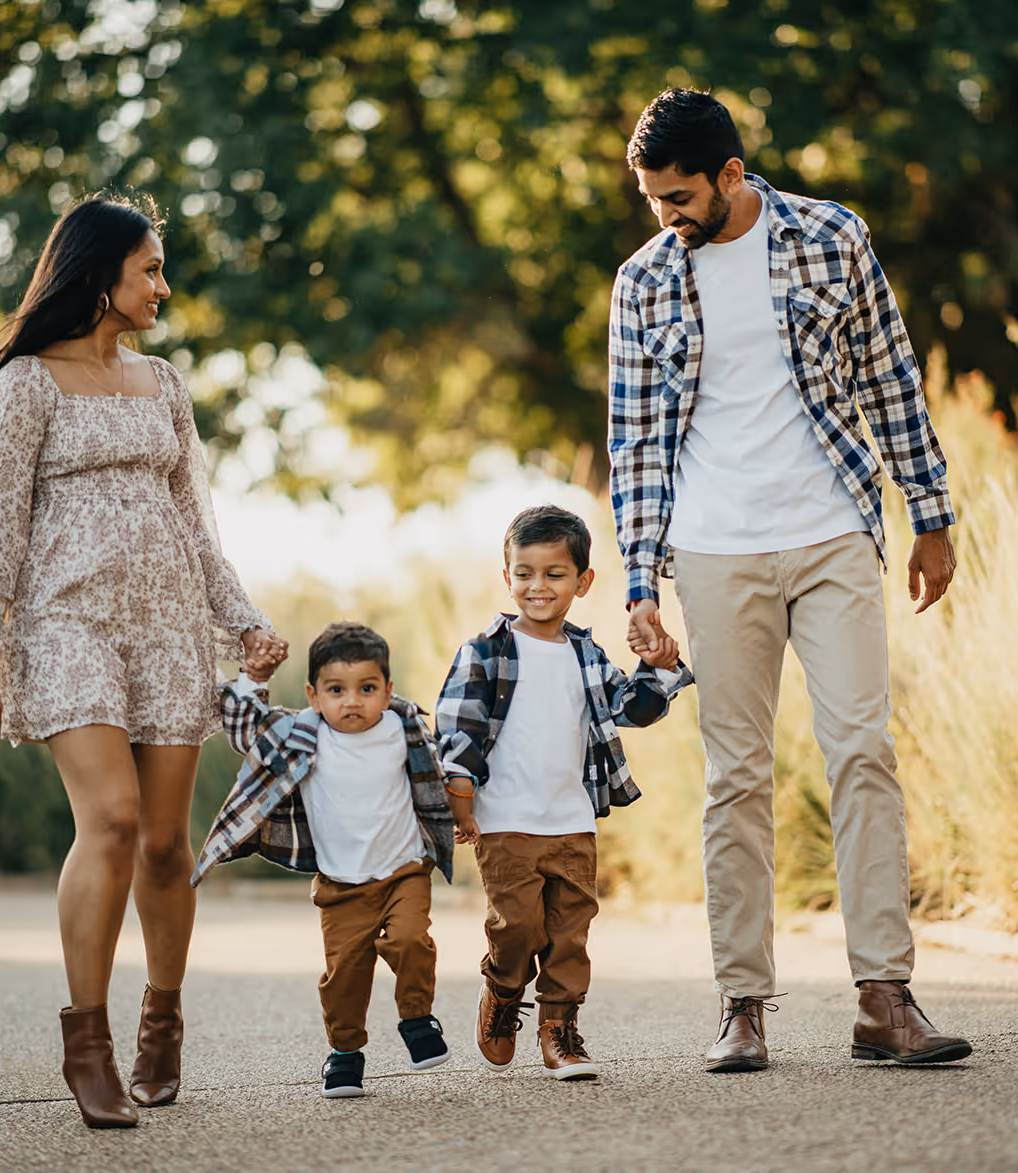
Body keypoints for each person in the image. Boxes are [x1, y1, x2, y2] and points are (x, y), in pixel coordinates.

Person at [608, 88, 971, 1071]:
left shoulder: (829, 237)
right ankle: (741, 1005)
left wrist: (929, 515)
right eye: (650, 200)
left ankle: (883, 996)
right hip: (713, 551)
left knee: (862, 751)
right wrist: (638, 581)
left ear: (731, 174)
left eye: (678, 197)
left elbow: (891, 375)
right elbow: (635, 444)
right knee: (736, 776)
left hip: (830, 531)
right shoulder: (642, 284)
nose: (664, 217)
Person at [0, 192, 287, 1129]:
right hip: (64, 627)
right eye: (151, 270)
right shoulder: (23, 386)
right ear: (101, 276)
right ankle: (85, 1045)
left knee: (168, 845)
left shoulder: (162, 384)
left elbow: (192, 522)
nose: (163, 287)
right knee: (114, 819)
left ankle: (161, 1022)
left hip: (169, 627)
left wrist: (241, 619)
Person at [435, 505, 692, 1080]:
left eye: (554, 574)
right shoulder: (486, 651)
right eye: (524, 573)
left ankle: (560, 1030)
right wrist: (460, 796)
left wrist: (658, 667)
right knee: (519, 927)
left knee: (569, 935)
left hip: (573, 820)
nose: (538, 586)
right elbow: (458, 727)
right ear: (507, 577)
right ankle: (502, 987)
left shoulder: (588, 656)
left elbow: (634, 709)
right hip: (504, 823)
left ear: (583, 582)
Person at [191, 622, 457, 1099]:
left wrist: (464, 815)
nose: (352, 702)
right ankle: (345, 1052)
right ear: (314, 696)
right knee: (344, 977)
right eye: (337, 690)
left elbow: (446, 769)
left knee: (410, 939)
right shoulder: (302, 734)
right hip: (341, 886)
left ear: (388, 690)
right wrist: (253, 675)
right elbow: (243, 727)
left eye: (367, 689)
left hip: (404, 871)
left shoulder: (405, 728)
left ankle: (417, 1019)